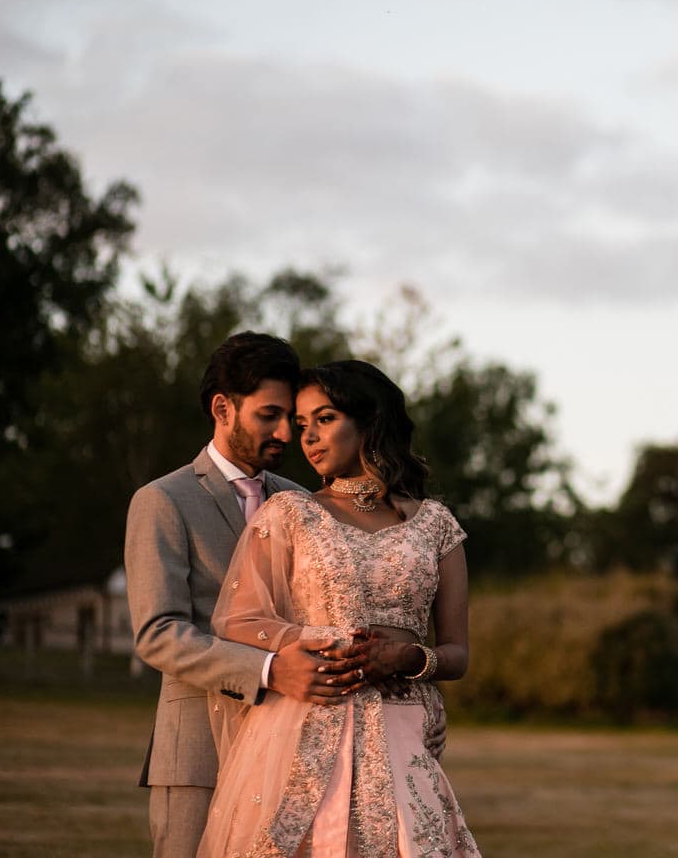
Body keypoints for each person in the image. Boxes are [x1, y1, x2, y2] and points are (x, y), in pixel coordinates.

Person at [198, 359, 481, 857]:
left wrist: (410, 659)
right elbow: (238, 620)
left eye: (324, 420)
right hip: (308, 720)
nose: (307, 438)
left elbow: (457, 652)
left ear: (370, 420)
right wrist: (328, 643)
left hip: (403, 730)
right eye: (303, 425)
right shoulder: (290, 514)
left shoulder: (436, 525)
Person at [126, 332, 370, 858]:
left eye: (294, 420)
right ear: (223, 408)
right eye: (270, 415)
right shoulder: (162, 501)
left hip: (295, 749)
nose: (286, 433)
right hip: (197, 757)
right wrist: (268, 669)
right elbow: (158, 634)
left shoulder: (305, 503)